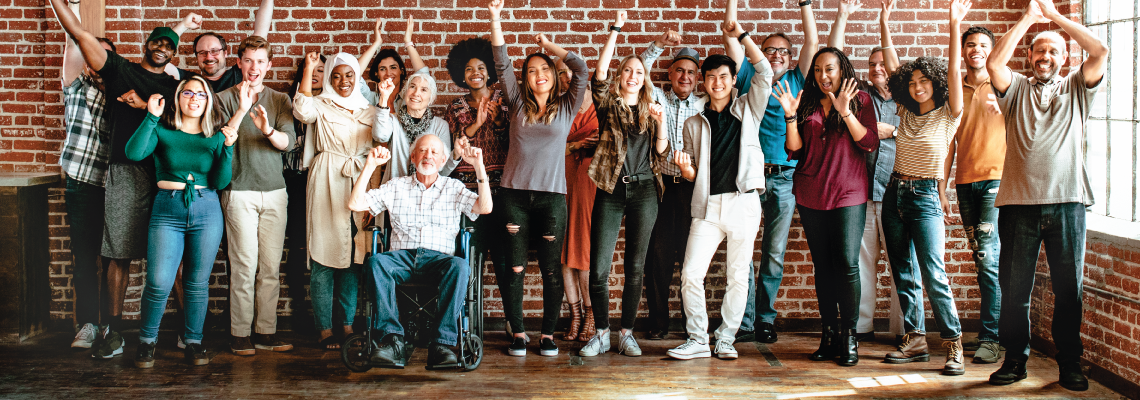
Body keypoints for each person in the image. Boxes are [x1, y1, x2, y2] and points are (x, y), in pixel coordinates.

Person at [49, 0, 184, 360]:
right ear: (147, 44)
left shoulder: (178, 83)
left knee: (175, 259)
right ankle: (113, 330)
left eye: (170, 46)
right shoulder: (120, 71)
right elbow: (77, 34)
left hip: (164, 175)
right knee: (116, 254)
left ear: (174, 54)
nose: (163, 48)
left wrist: (144, 107)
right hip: (124, 172)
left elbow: (195, 118)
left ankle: (188, 331)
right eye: (158, 41)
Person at [985, 0, 1107, 391]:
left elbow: (1101, 51)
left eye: (1054, 51)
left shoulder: (1077, 87)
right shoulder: (1015, 88)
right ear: (1030, 55)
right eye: (1040, 50)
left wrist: (1054, 18)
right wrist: (1028, 19)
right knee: (1015, 291)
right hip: (1018, 206)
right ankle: (1014, 361)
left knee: (1068, 291)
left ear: (1065, 56)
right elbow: (993, 65)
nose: (1046, 57)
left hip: (1068, 204)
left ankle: (1070, 363)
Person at [666, 18, 772, 361]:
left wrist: (741, 34)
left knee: (738, 276)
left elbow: (764, 70)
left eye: (724, 77)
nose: (717, 82)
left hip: (744, 204)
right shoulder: (693, 123)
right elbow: (695, 172)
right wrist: (685, 169)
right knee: (691, 274)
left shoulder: (749, 109)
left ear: (731, 80)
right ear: (704, 82)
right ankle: (698, 338)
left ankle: (725, 338)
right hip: (708, 207)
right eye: (710, 77)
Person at [487, 0, 588, 357]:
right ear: (525, 79)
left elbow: (581, 69)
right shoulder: (516, 102)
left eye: (543, 68)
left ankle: (546, 335)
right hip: (513, 196)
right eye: (531, 70)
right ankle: (517, 333)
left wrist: (549, 48)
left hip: (551, 199)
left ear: (552, 73)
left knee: (549, 270)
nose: (538, 74)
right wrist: (496, 16)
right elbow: (501, 61)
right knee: (514, 268)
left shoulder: (568, 104)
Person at [877, 0, 969, 376]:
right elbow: (893, 62)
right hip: (894, 194)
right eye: (911, 83)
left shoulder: (950, 112)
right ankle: (915, 339)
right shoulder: (902, 110)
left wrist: (953, 25)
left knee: (934, 272)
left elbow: (953, 65)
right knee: (903, 271)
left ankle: (953, 344)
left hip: (927, 196)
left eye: (923, 81)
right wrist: (884, 21)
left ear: (936, 83)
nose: (916, 87)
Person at [347, 135, 492, 369]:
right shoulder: (396, 186)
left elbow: (485, 208)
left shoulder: (453, 187)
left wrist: (478, 166)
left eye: (434, 152)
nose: (428, 156)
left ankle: (441, 345)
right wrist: (370, 166)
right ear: (413, 157)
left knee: (460, 266)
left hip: (439, 260)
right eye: (423, 151)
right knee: (376, 262)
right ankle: (393, 341)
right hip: (402, 258)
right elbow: (355, 204)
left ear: (444, 160)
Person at [126, 75, 236, 368]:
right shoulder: (163, 130)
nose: (194, 98)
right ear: (178, 98)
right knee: (159, 280)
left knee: (197, 283)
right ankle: (147, 342)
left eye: (200, 94)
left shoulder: (215, 136)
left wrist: (227, 149)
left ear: (208, 101)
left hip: (207, 209)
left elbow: (221, 181)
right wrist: (151, 116)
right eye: (188, 92)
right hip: (167, 209)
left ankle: (193, 341)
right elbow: (133, 152)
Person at [578, 10, 669, 358]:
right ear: (621, 77)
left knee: (635, 267)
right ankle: (602, 333)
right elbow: (598, 74)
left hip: (645, 190)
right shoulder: (608, 104)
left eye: (639, 72)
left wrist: (660, 124)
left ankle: (626, 334)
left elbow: (661, 151)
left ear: (645, 79)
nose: (633, 75)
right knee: (599, 267)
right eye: (628, 70)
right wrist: (615, 29)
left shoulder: (653, 106)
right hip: (612, 190)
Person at [736, 0, 821, 345]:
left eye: (783, 50)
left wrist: (805, 5)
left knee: (773, 253)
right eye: (769, 49)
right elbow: (735, 41)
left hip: (785, 178)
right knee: (743, 251)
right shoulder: (750, 77)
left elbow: (812, 44)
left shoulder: (798, 80)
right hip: (751, 177)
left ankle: (765, 320)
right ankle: (743, 322)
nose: (776, 55)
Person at [829, 0, 908, 344]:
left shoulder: (911, 101)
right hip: (863, 192)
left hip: (899, 195)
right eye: (872, 64)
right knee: (860, 263)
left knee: (901, 266)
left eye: (883, 63)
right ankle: (860, 328)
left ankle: (905, 331)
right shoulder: (859, 97)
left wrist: (883, 22)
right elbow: (833, 58)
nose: (877, 68)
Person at [215, 36, 298, 356]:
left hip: (275, 193)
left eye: (260, 61)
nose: (254, 67)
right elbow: (220, 141)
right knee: (244, 266)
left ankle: (265, 332)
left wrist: (266, 129)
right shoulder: (222, 99)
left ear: (268, 65)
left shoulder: (279, 100)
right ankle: (239, 333)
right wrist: (243, 109)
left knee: (269, 268)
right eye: (248, 60)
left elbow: (287, 143)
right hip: (239, 192)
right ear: (238, 62)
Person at [293, 52, 380, 350]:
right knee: (323, 254)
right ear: (328, 78)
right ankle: (324, 328)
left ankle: (346, 323)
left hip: (360, 180)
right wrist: (308, 69)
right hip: (327, 179)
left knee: (354, 257)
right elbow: (302, 111)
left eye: (349, 75)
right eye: (336, 75)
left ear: (358, 77)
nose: (343, 81)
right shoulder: (320, 104)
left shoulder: (369, 109)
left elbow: (380, 143)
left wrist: (372, 196)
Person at [56, 0, 118, 353]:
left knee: (112, 260)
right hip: (81, 183)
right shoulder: (76, 88)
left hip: (113, 186)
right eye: (92, 53)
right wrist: (74, 6)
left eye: (103, 55)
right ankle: (87, 325)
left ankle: (110, 327)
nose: (96, 59)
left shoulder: (121, 96)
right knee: (84, 258)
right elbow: (71, 40)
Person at [442, 36, 515, 335]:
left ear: (490, 71)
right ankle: (465, 323)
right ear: (462, 73)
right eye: (469, 68)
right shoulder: (455, 106)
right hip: (466, 194)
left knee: (505, 261)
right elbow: (459, 142)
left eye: (481, 67)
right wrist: (478, 121)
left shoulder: (504, 101)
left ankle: (514, 323)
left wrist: (497, 121)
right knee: (469, 259)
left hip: (501, 193)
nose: (476, 72)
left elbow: (514, 140)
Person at [942, 24, 1005, 364]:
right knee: (982, 259)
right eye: (970, 44)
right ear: (963, 51)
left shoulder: (1003, 82)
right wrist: (942, 187)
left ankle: (991, 337)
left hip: (998, 181)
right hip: (965, 184)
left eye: (983, 44)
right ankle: (995, 334)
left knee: (987, 260)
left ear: (992, 51)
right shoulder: (956, 89)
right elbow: (949, 142)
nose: (976, 49)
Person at [638, 30, 706, 341]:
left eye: (691, 72)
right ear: (671, 72)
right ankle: (659, 323)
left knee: (692, 257)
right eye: (680, 69)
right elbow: (641, 67)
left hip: (694, 187)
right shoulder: (660, 98)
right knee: (659, 258)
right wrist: (658, 46)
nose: (685, 76)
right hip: (663, 188)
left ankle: (693, 326)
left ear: (698, 78)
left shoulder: (705, 104)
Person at [373, 70, 456, 183]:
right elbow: (379, 136)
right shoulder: (393, 120)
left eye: (423, 90)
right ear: (405, 92)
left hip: (427, 192)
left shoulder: (440, 126)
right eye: (412, 87)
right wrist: (384, 98)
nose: (416, 93)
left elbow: (442, 169)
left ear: (431, 99)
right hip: (394, 190)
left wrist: (456, 155)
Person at [186, 0, 273, 92]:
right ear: (196, 56)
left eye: (214, 51)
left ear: (225, 53)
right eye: (202, 52)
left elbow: (260, 33)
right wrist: (183, 25)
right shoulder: (189, 80)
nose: (209, 57)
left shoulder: (240, 72)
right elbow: (168, 61)